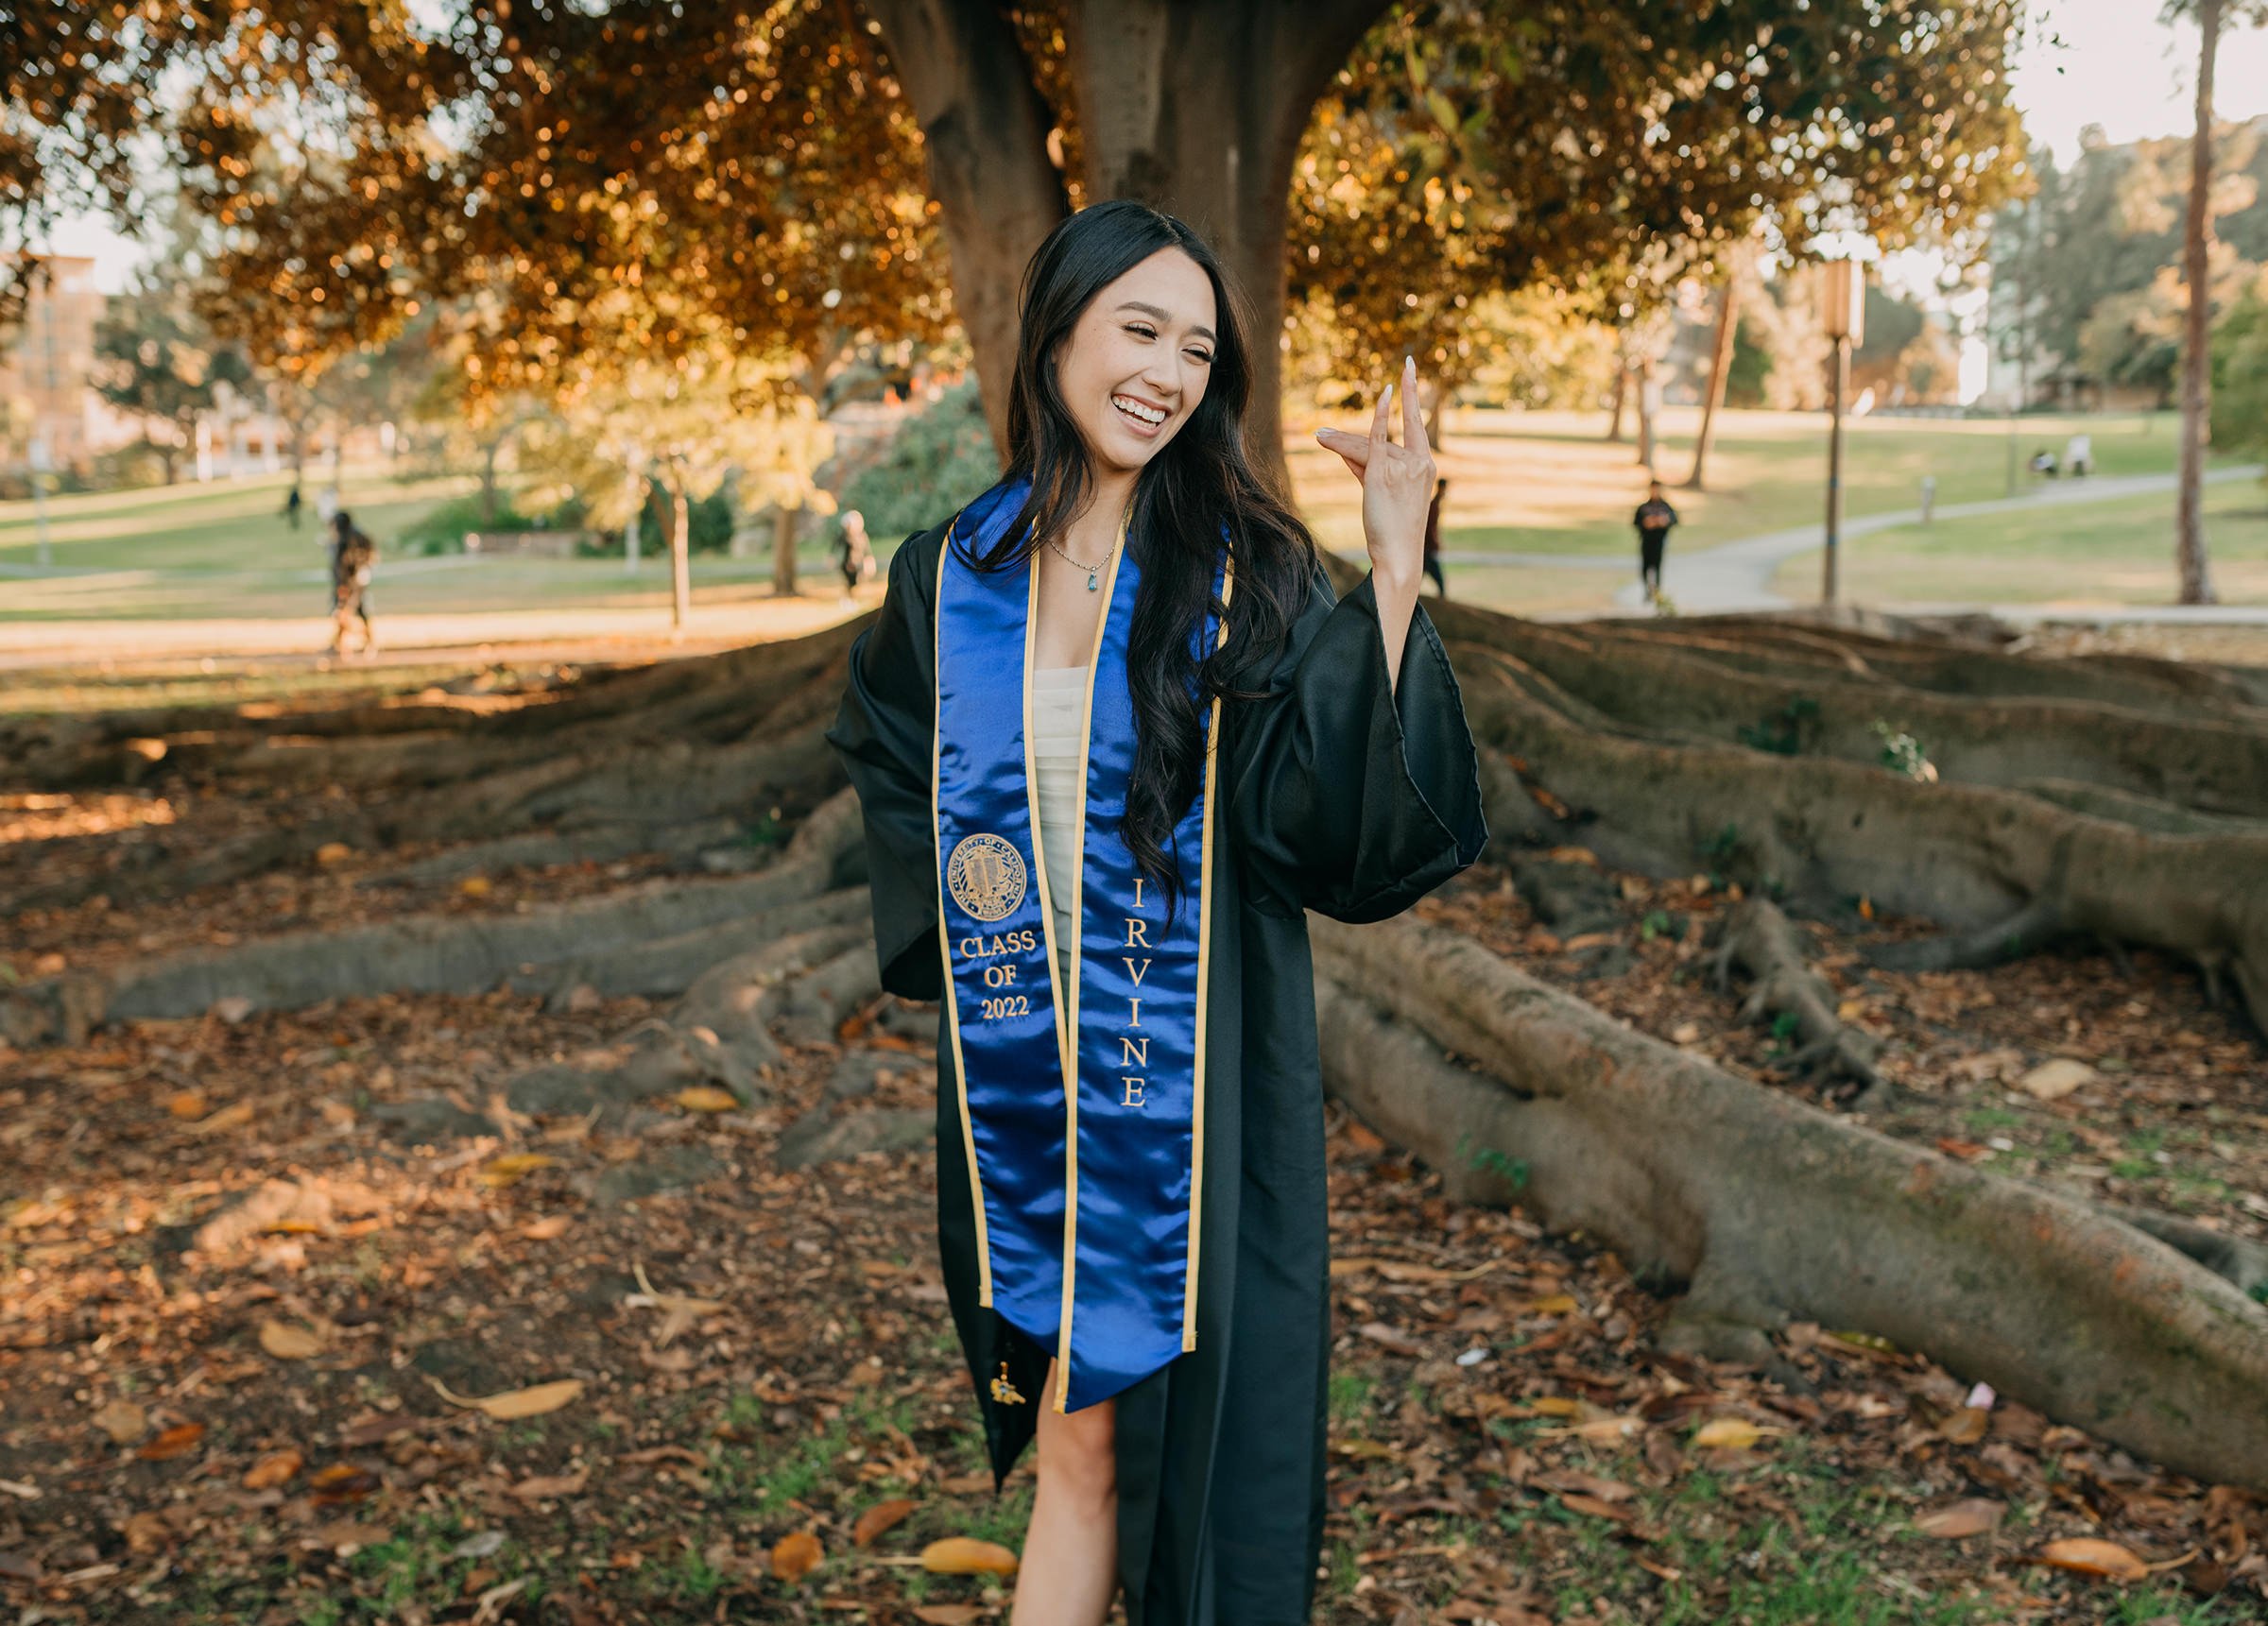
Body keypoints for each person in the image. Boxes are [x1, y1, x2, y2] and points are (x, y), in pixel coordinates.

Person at [826, 199, 1485, 1626]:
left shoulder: (1244, 574)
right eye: (1141, 328)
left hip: (1195, 1085)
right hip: (1028, 1088)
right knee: (1077, 1439)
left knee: (1192, 1455)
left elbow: (1332, 820)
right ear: (1057, 328)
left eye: (1198, 347)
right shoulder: (951, 576)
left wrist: (1392, 556)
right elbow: (889, 753)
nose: (1169, 371)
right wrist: (969, 937)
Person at [327, 510, 378, 656]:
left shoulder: (345, 540)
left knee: (344, 611)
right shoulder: (358, 536)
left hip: (349, 583)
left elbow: (342, 566)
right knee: (356, 611)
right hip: (359, 580)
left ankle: (343, 644)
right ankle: (347, 642)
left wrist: (342, 584)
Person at [1633, 478, 1679, 602]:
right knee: (1645, 568)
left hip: (1659, 542)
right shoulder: (1644, 507)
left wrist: (1664, 521)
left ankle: (1657, 592)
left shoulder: (1665, 507)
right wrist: (1647, 523)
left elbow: (1675, 520)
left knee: (1657, 568)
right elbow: (1636, 523)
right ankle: (1647, 591)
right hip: (1646, 541)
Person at [836, 507, 874, 600]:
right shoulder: (846, 537)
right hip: (848, 564)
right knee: (850, 582)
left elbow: (867, 550)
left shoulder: (862, 536)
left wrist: (869, 561)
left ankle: (850, 597)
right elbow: (837, 546)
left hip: (858, 563)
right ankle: (848, 598)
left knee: (857, 581)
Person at [1421, 475, 1449, 596]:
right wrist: (1435, 544)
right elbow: (1430, 527)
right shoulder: (1434, 505)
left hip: (1427, 548)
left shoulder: (1435, 504)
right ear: (1441, 488)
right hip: (1428, 549)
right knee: (1440, 581)